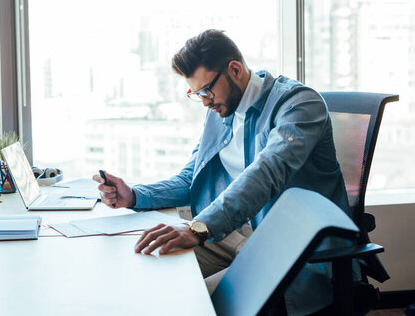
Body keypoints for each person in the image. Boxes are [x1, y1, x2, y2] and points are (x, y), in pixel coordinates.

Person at [93, 29, 351, 315]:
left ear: (235, 70)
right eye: (196, 93)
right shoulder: (221, 110)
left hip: (288, 248)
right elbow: (192, 178)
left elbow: (265, 175)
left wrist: (199, 228)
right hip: (236, 235)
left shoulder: (298, 105)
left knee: (188, 301)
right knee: (147, 266)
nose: (204, 101)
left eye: (206, 90)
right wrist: (134, 196)